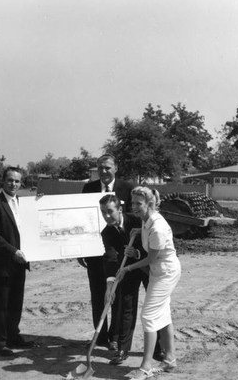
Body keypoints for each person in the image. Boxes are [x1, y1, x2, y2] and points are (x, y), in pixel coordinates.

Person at [116, 186, 181, 380]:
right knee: (163, 313)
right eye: (132, 202)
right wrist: (139, 229)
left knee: (149, 316)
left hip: (165, 272)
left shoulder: (157, 227)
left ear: (149, 204)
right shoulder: (147, 220)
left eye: (139, 203)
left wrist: (127, 268)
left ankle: (145, 367)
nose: (134, 207)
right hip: (159, 271)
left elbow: (150, 259)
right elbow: (147, 232)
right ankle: (170, 360)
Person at [78, 154, 134, 350]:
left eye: (108, 168)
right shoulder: (88, 189)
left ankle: (115, 337)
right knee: (97, 295)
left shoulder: (128, 188)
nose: (104, 172)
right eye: (100, 168)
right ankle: (100, 336)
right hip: (94, 252)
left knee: (117, 296)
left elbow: (132, 219)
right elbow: (81, 219)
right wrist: (80, 250)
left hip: (120, 254)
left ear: (115, 168)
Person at [0, 167, 35, 357]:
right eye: (10, 180)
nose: (13, 184)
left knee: (15, 304)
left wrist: (41, 203)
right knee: (0, 306)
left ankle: (13, 336)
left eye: (17, 181)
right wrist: (13, 252)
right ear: (3, 181)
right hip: (1, 265)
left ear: (21, 183)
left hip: (20, 264)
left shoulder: (22, 203)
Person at [99, 194, 148, 365]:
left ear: (119, 209)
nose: (106, 216)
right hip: (127, 270)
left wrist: (137, 253)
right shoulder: (107, 232)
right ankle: (122, 349)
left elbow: (155, 244)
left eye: (110, 212)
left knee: (154, 309)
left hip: (149, 267)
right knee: (126, 307)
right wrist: (110, 285)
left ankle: (158, 349)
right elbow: (111, 259)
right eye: (103, 212)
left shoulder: (136, 220)